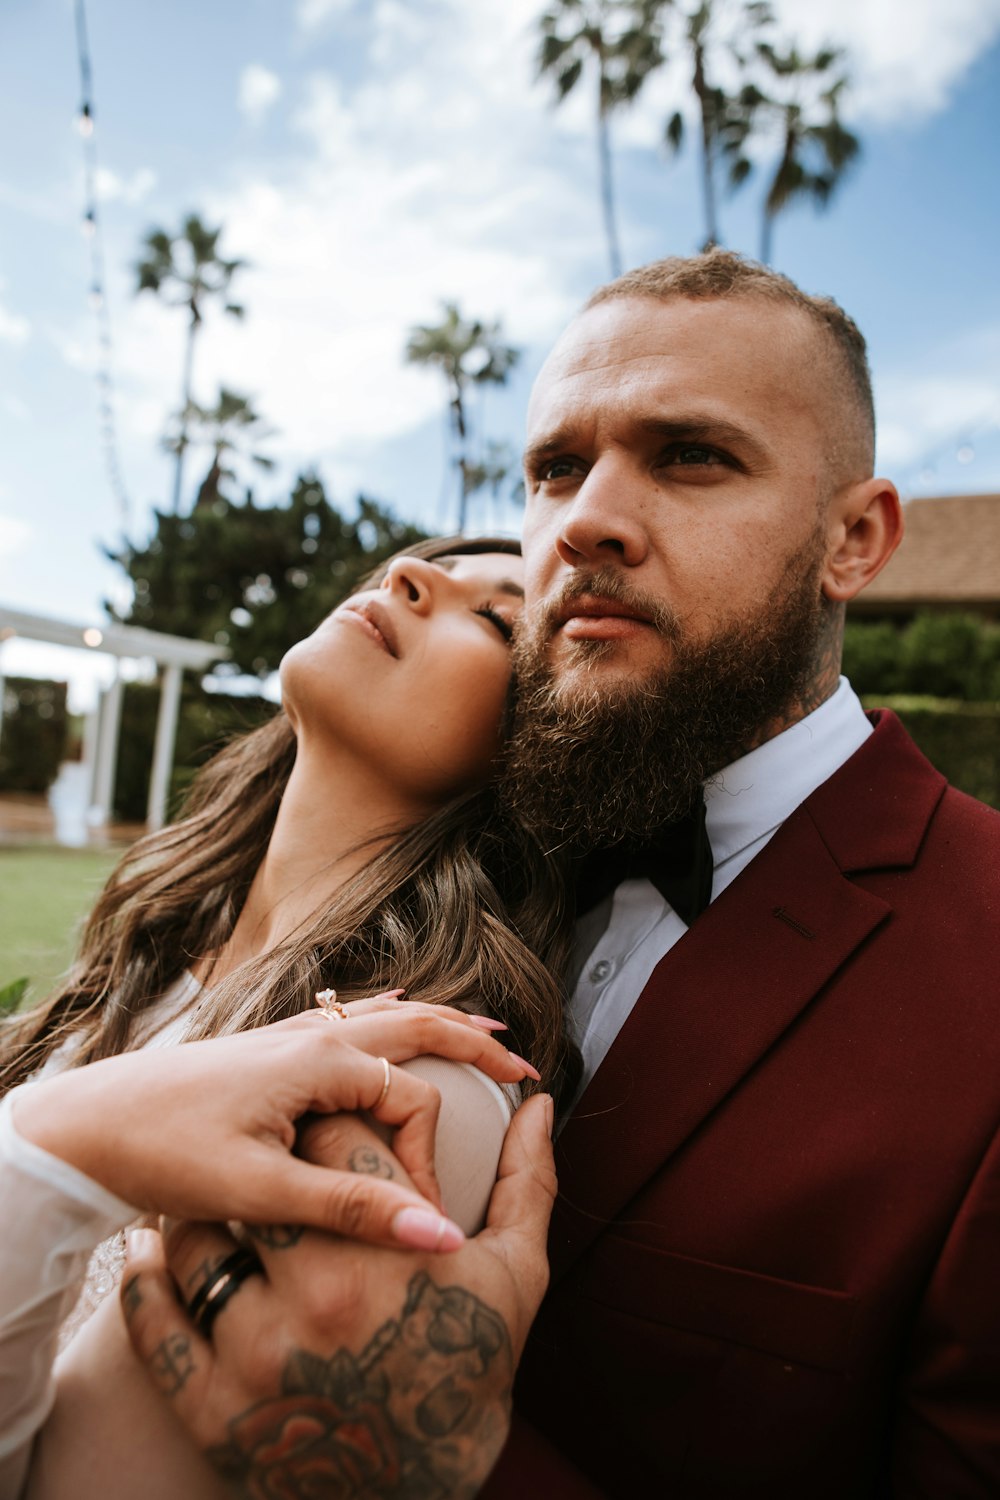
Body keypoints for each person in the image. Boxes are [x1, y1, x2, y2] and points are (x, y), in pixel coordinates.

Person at [120, 249, 1000, 1499]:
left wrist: (456, 1466)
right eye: (553, 468)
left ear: (853, 539)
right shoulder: (457, 847)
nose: (583, 516)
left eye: (692, 455)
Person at [0, 536, 573, 1497]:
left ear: (535, 758)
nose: (407, 575)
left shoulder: (409, 1090)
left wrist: (54, 1145)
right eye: (421, 565)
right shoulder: (150, 961)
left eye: (492, 616)